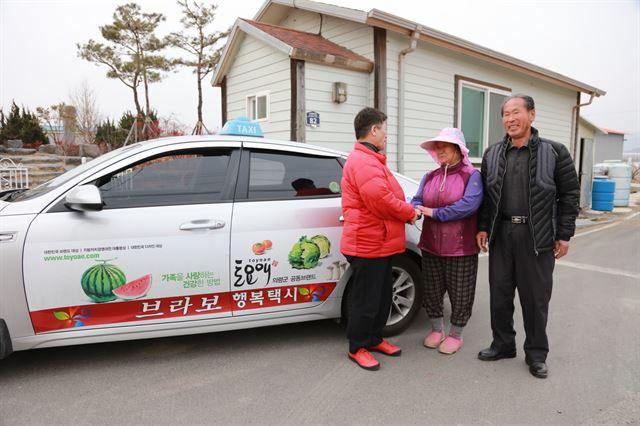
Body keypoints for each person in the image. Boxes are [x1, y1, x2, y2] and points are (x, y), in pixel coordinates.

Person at [476, 94, 580, 379]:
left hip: (538, 237)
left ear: (532, 115)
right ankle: (503, 344)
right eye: (505, 114)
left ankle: (536, 354)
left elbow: (570, 195)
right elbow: (487, 197)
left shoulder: (555, 152)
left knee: (535, 300)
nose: (510, 118)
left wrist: (564, 233)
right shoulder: (492, 153)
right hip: (502, 235)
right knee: (499, 294)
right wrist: (483, 227)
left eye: (516, 112)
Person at [341, 107, 421, 371]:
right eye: (384, 130)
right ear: (373, 130)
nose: (386, 135)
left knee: (382, 296)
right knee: (366, 299)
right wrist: (410, 212)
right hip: (367, 243)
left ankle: (374, 339)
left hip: (380, 242)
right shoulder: (363, 161)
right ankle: (358, 347)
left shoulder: (372, 159)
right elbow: (380, 200)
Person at [411, 128, 483, 355]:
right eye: (437, 147)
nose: (439, 150)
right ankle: (436, 330)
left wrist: (433, 213)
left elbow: (469, 205)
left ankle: (455, 334)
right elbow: (417, 199)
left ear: (457, 149)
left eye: (445, 146)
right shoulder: (429, 176)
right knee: (432, 289)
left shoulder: (472, 175)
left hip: (460, 247)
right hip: (430, 244)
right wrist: (414, 209)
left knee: (461, 292)